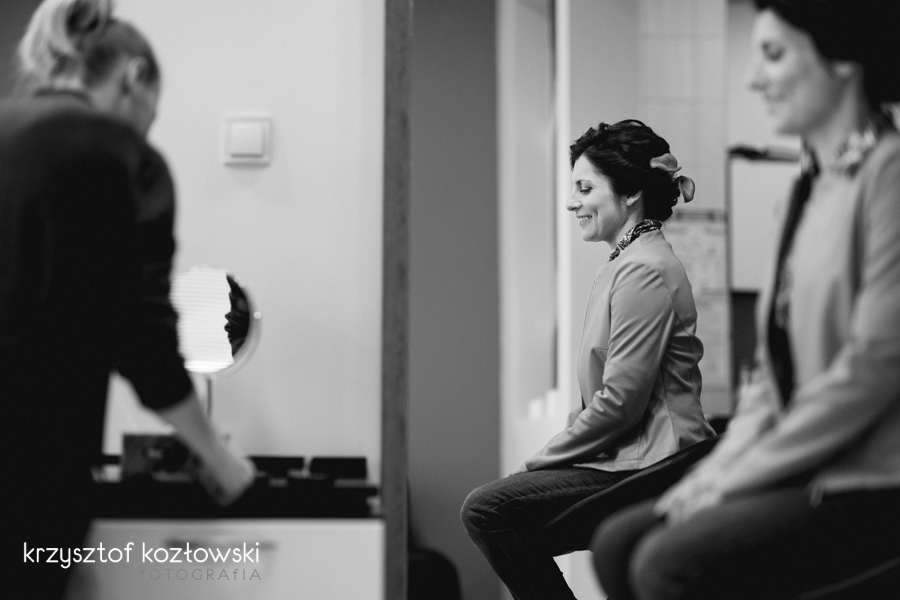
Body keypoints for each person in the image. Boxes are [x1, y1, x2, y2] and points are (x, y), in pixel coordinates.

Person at [592, 2, 900, 599]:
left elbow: (874, 367)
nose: (754, 78)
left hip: (871, 477)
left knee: (663, 564)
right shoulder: (802, 192)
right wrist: (716, 472)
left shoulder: (888, 177)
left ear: (842, 60)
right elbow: (768, 379)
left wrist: (743, 476)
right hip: (803, 464)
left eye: (774, 55)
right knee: (617, 543)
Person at [0, 1, 255, 597]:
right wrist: (217, 457)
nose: (144, 129)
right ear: (134, 77)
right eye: (150, 114)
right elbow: (141, 335)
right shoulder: (121, 156)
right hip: (32, 474)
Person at [460, 119, 715, 600]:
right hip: (629, 457)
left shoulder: (644, 270)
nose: (571, 202)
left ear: (631, 192)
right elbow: (600, 402)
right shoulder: (625, 265)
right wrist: (551, 461)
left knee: (488, 511)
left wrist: (539, 461)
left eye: (585, 188)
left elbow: (620, 403)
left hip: (658, 461)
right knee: (505, 518)